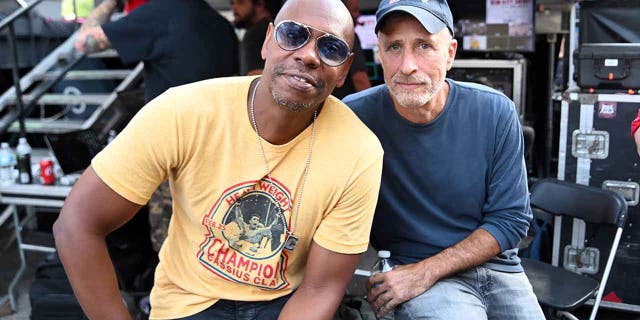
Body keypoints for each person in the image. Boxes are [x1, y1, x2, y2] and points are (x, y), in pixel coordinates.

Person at [53, 0, 384, 318]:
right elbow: (77, 225)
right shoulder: (185, 111)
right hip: (189, 305)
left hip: (284, 304)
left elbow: (321, 289)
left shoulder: (358, 150)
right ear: (268, 41)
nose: (310, 55)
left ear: (343, 71)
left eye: (332, 49)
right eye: (294, 35)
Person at [343, 0, 544, 319]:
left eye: (424, 45)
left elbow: (511, 220)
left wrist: (425, 272)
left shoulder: (494, 111)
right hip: (411, 273)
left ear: (450, 53)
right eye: (394, 47)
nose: (407, 65)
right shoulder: (353, 117)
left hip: (497, 270)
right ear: (379, 54)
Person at [75, 0, 239, 103]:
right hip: (216, 130)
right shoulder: (221, 22)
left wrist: (111, 2)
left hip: (174, 135)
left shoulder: (160, 13)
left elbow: (84, 42)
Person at [332, 0, 371, 99]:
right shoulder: (349, 36)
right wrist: (373, 108)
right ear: (344, 13)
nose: (358, 15)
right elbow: (359, 78)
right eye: (355, 10)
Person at [232, 0, 282, 76]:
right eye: (233, 3)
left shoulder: (254, 35)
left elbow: (255, 76)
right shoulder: (281, 30)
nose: (234, 7)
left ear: (260, 4)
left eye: (241, 2)